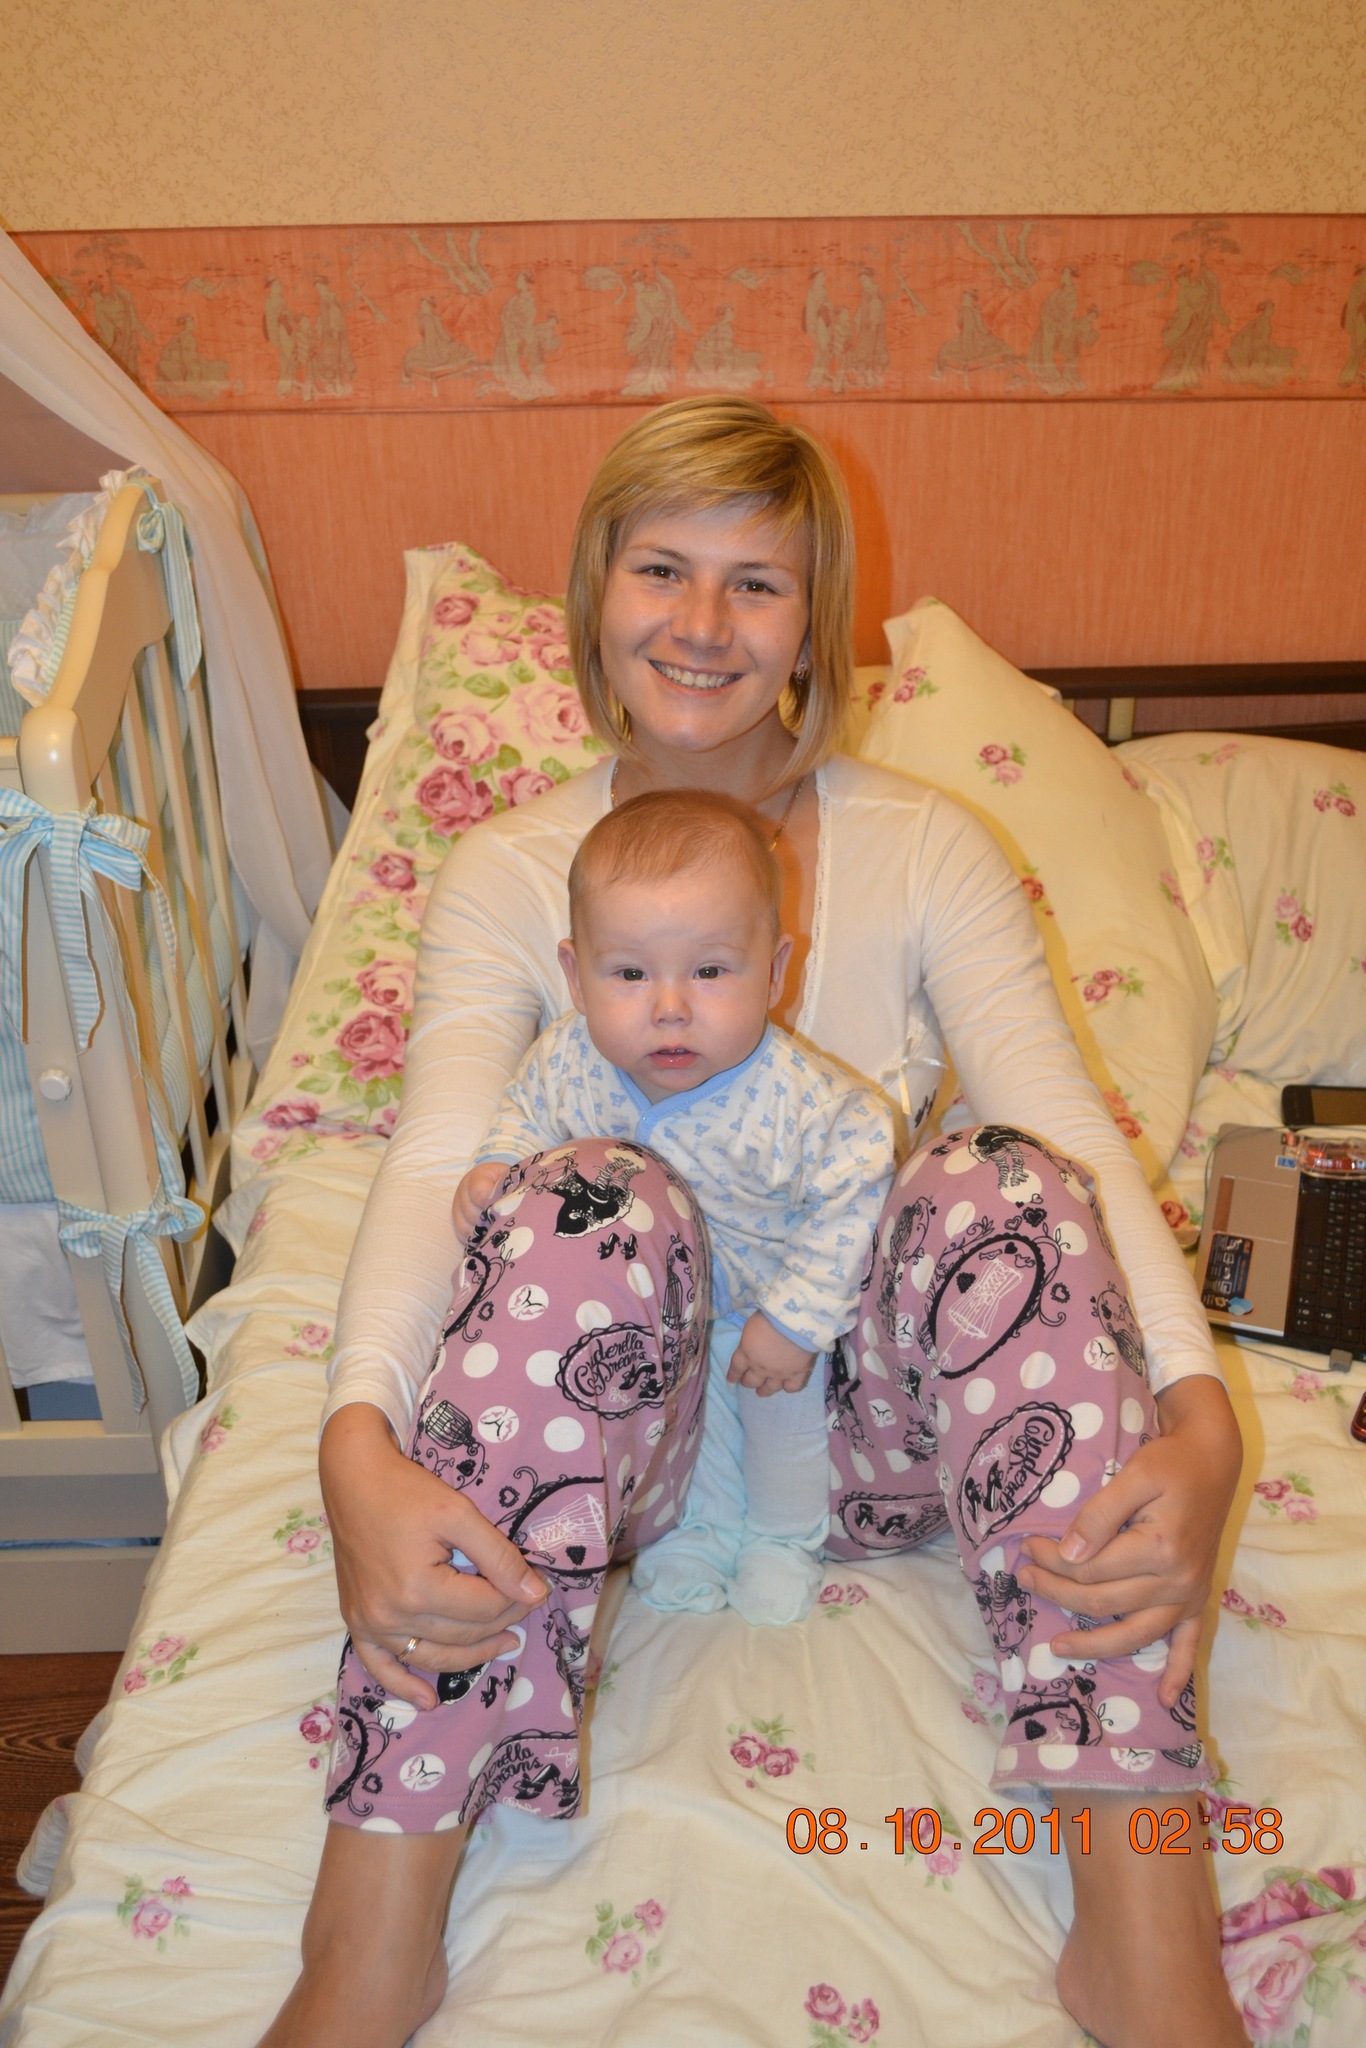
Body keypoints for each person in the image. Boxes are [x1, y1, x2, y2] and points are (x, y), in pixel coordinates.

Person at [261, 397, 1247, 2048]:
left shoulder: (925, 849)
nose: (704, 624)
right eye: (662, 568)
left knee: (999, 1180)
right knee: (576, 1195)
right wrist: (353, 1440)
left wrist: (1201, 1420)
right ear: (596, 590)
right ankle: (369, 1928)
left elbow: (1068, 1134)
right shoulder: (509, 870)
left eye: (758, 582)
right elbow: (440, 1163)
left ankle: (1146, 1941)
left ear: (813, 621)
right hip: (606, 1452)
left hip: (863, 1429)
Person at [451, 788, 894, 1630]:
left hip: (764, 1305)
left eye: (710, 972)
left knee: (778, 1427)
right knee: (683, 1435)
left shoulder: (800, 1099)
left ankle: (783, 1539)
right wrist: (496, 1167)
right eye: (629, 974)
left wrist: (797, 1319)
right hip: (643, 1320)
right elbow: (523, 1113)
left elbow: (857, 1183)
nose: (669, 1008)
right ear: (575, 976)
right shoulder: (567, 1060)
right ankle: (694, 1534)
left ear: (775, 972)